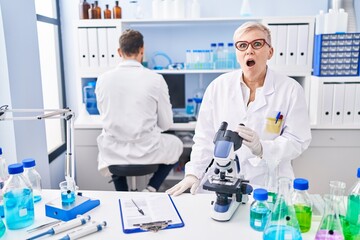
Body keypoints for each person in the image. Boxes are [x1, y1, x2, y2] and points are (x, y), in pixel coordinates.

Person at [167, 22, 312, 196]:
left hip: (269, 182)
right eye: (242, 45)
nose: (249, 51)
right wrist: (193, 174)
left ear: (270, 52)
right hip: (223, 179)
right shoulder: (218, 87)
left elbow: (298, 140)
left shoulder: (290, 90)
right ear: (237, 53)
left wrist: (263, 148)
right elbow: (204, 138)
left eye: (257, 44)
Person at [95, 29, 183, 192]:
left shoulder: (103, 79)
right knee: (177, 144)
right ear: (142, 51)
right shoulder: (155, 79)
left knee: (111, 146)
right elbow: (166, 124)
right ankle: (151, 188)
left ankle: (121, 192)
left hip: (113, 151)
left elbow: (105, 116)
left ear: (119, 52)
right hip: (146, 151)